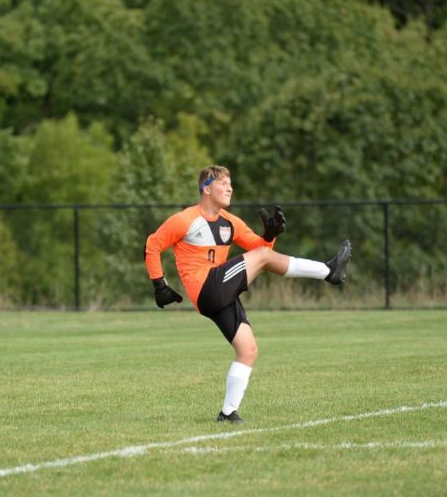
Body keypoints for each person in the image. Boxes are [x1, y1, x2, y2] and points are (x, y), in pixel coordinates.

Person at [144, 165, 352, 424]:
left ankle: (228, 412)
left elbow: (260, 249)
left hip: (219, 293)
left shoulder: (231, 222)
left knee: (248, 350)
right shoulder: (185, 219)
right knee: (263, 259)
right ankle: (328, 271)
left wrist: (269, 235)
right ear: (206, 189)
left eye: (231, 183)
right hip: (208, 287)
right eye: (222, 183)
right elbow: (153, 245)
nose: (230, 187)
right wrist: (159, 284)